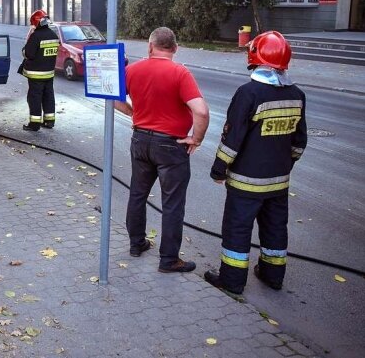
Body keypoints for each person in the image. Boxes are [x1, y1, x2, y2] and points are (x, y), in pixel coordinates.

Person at [204, 31, 307, 295]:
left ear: (255, 57)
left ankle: (232, 280)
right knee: (275, 228)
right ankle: (273, 276)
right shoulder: (297, 95)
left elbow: (233, 137)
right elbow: (299, 142)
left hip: (246, 183)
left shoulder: (248, 93)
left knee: (237, 229)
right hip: (279, 182)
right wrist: (284, 165)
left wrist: (219, 168)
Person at [113, 27, 209, 273]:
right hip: (171, 146)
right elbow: (201, 111)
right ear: (175, 48)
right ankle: (168, 260)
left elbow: (113, 98)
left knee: (137, 194)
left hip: (140, 141)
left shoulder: (131, 70)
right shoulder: (180, 73)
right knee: (172, 204)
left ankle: (136, 244)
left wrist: (133, 113)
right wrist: (195, 139)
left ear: (150, 46)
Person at [21, 9, 59, 131]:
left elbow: (29, 54)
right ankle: (49, 121)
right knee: (48, 96)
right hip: (49, 74)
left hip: (36, 75)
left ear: (36, 23)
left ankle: (34, 124)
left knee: (34, 98)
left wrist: (26, 45)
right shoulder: (53, 35)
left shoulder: (36, 36)